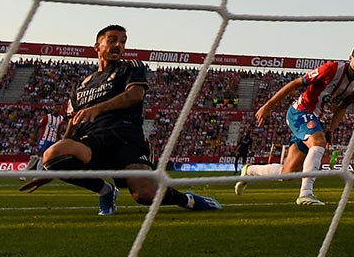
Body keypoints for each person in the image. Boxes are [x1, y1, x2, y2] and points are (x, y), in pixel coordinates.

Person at [30, 24, 221, 215]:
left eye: (123, 42)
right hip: (93, 142)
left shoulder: (131, 67)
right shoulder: (81, 86)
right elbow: (73, 125)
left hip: (126, 138)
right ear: (97, 46)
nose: (118, 45)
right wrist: (52, 170)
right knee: (51, 154)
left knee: (145, 195)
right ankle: (105, 190)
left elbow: (135, 95)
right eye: (112, 40)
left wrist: (97, 108)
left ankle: (187, 200)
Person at [235, 43, 354, 206]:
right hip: (300, 112)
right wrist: (268, 105)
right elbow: (296, 83)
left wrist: (330, 130)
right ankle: (306, 194)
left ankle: (249, 171)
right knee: (318, 142)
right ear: (351, 58)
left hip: (317, 120)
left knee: (287, 173)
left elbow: (342, 107)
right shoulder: (331, 69)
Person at [26, 106, 65, 172]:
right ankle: (26, 171)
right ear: (53, 108)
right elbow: (38, 126)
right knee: (39, 155)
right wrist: (33, 138)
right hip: (44, 139)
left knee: (45, 156)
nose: (58, 109)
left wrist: (60, 139)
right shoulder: (47, 117)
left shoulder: (61, 118)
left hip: (52, 141)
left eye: (59, 108)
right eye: (56, 108)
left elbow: (58, 130)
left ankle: (38, 173)